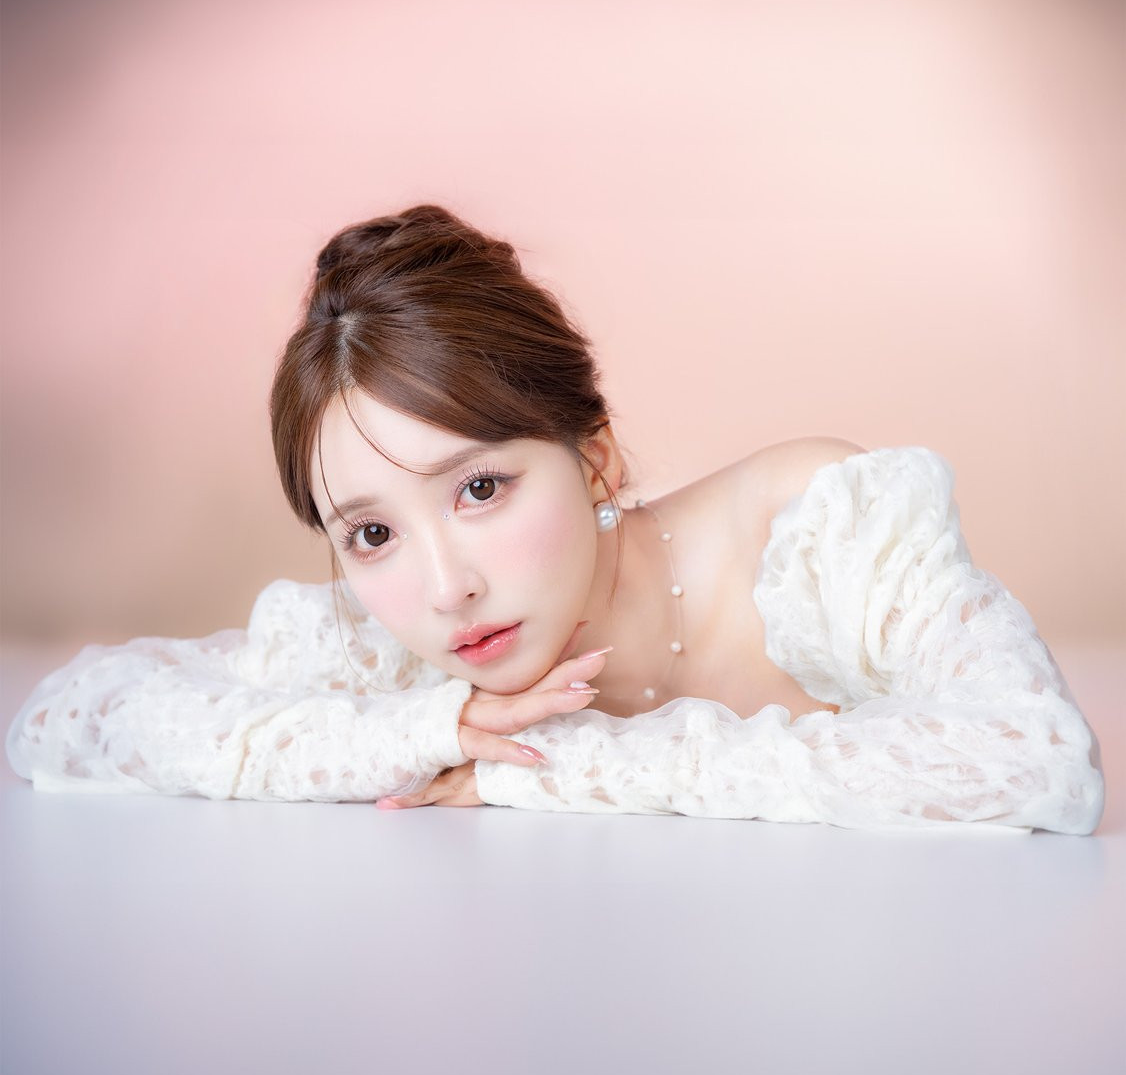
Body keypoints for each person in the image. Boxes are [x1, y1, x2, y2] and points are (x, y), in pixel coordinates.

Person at [5, 205, 1104, 833]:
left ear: (594, 457)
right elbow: (65, 719)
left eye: (480, 489)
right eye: (371, 534)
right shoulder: (399, 660)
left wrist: (554, 769)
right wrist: (420, 734)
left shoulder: (813, 527)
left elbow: (1038, 759)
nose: (446, 588)